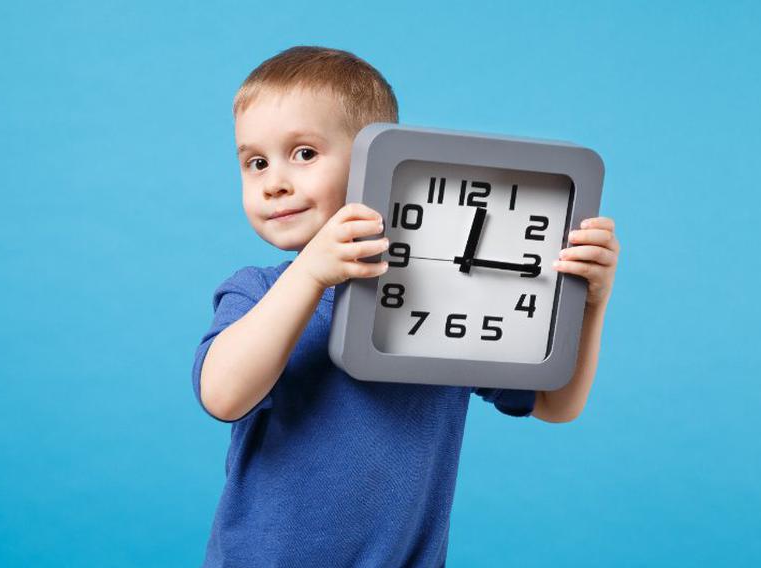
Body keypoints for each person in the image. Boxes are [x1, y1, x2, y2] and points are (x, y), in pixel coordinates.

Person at [191, 45, 620, 567]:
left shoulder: (447, 299)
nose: (274, 182)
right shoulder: (257, 292)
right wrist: (310, 272)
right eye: (255, 162)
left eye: (304, 153)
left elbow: (557, 405)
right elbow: (222, 396)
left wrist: (589, 304)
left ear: (375, 164)